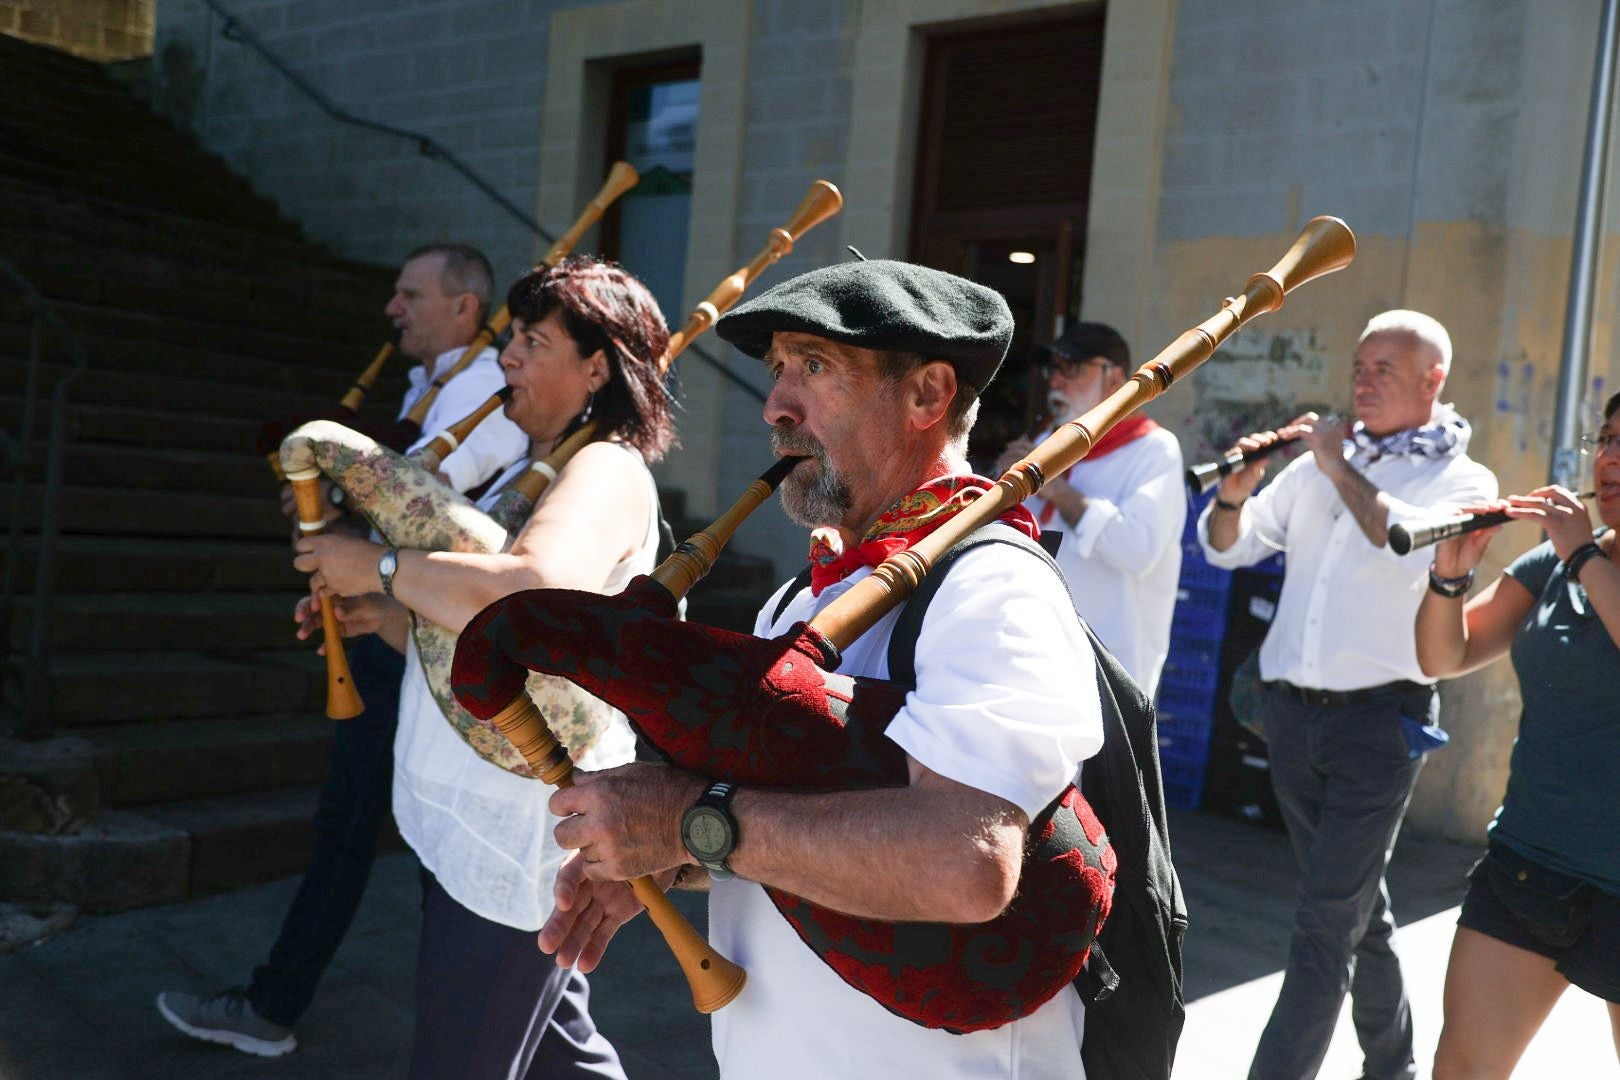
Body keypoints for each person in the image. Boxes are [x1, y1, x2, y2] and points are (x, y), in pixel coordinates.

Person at [533, 259, 1106, 1079]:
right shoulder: (799, 599)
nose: (776, 406)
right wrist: (670, 854)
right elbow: (786, 830)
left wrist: (694, 820)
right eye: (776, 370)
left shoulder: (993, 586)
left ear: (928, 396)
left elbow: (967, 863)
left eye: (814, 366)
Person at [282, 256, 674, 1078]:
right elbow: (478, 642)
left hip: (520, 825)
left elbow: (533, 591)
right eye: (513, 340)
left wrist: (380, 568)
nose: (508, 359)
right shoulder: (544, 463)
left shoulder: (605, 466)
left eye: (533, 341)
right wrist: (383, 615)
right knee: (560, 1053)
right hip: (495, 811)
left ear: (596, 367)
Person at [156, 242, 526, 1057]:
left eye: (410, 293)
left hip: (418, 630)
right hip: (391, 615)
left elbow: (430, 509)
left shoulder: (484, 389)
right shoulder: (429, 383)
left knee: (387, 830)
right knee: (367, 827)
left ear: (465, 307)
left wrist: (350, 532)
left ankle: (302, 1008)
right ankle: (452, 1019)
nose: (393, 308)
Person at [1198, 309, 1498, 1080]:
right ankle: (1393, 1065)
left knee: (1323, 926)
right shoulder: (1324, 463)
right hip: (1291, 717)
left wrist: (1338, 467)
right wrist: (1234, 494)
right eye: (1359, 367)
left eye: (1383, 371)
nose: (1361, 383)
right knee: (1355, 912)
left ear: (1434, 381)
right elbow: (1229, 550)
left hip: (1380, 725)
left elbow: (1405, 548)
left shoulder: (1463, 479)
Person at [1414, 390, 1620, 1079]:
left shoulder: (1576, 556)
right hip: (1530, 869)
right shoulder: (1554, 567)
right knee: (1461, 1069)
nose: (1612, 456)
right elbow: (1444, 656)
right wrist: (1450, 574)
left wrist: (1584, 553)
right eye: (1608, 438)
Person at [994, 322, 1185, 696]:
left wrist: (1059, 491)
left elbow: (1136, 549)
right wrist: (999, 490)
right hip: (1028, 656)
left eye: (1072, 370)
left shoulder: (1155, 450)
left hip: (1107, 671)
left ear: (1114, 379)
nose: (1056, 383)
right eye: (1054, 370)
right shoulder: (1045, 443)